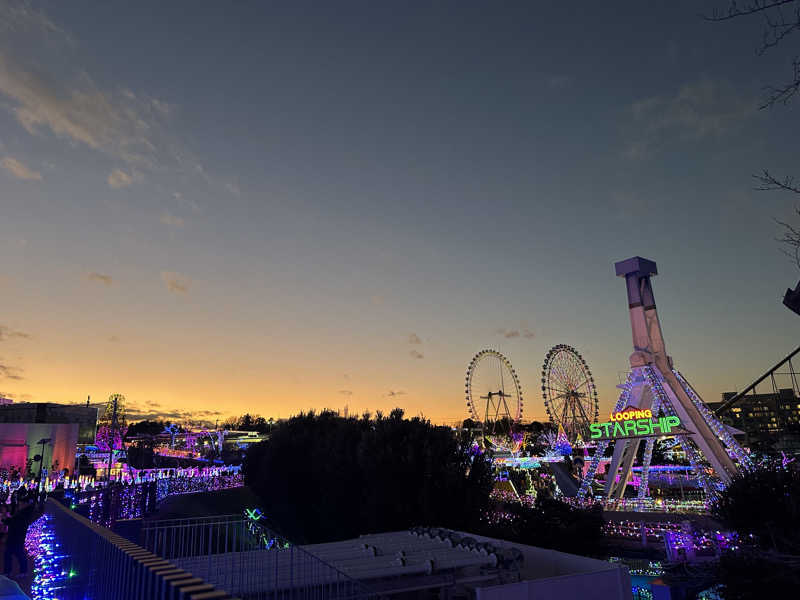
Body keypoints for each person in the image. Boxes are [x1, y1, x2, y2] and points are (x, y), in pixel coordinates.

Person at [2, 491, 39, 579]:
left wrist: (6, 520)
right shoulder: (24, 512)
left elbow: (15, 523)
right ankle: (14, 571)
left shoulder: (24, 513)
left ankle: (18, 571)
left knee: (14, 553)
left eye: (21, 502)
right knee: (12, 553)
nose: (19, 504)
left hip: (16, 536)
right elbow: (14, 522)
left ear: (25, 503)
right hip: (17, 536)